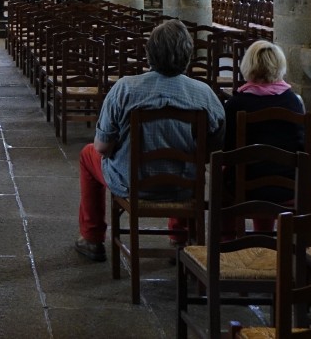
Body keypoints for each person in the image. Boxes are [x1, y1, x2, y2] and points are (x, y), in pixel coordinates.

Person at [75, 20, 225, 262]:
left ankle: (92, 237)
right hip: (184, 185)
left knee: (87, 154)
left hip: (132, 183)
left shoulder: (125, 89)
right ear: (188, 54)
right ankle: (180, 237)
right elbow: (214, 149)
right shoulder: (204, 94)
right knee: (185, 155)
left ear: (149, 52)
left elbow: (103, 147)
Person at [221, 40, 305, 236]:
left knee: (221, 182)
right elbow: (301, 146)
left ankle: (227, 240)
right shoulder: (295, 102)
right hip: (289, 187)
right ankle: (266, 235)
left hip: (245, 187)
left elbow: (227, 150)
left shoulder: (236, 104)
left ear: (248, 66)